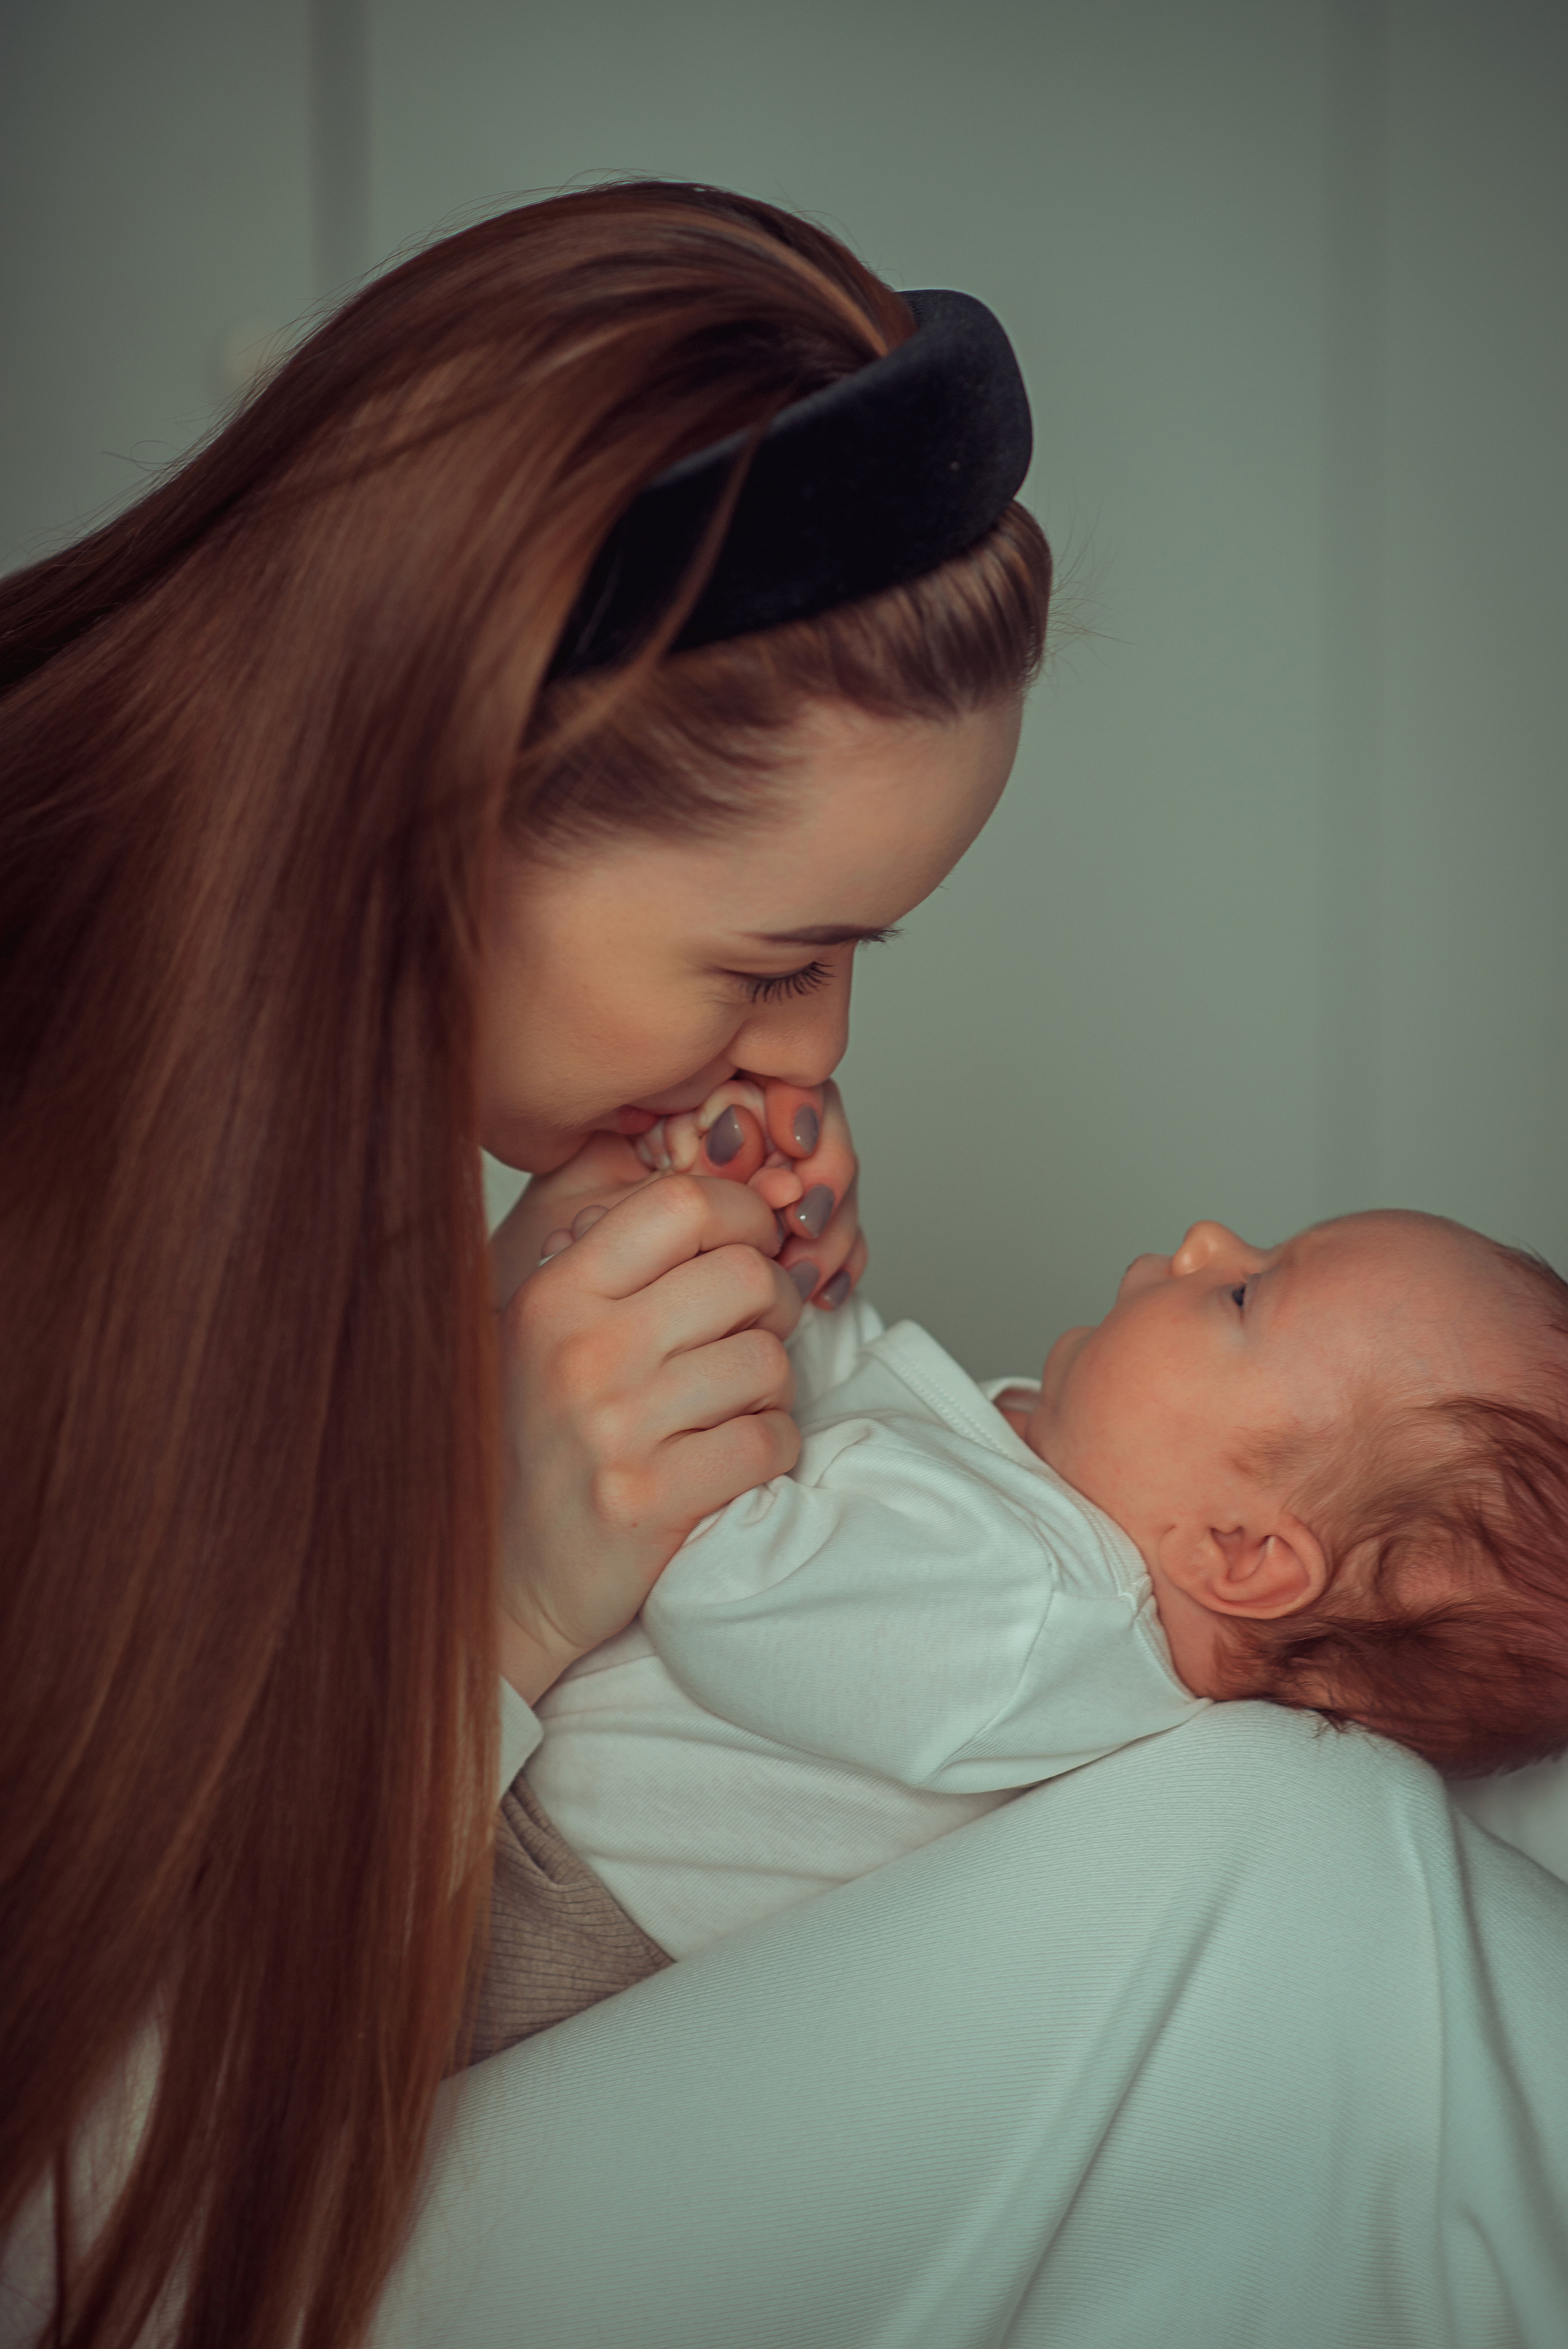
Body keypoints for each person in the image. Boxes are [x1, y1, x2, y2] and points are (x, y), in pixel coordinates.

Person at [4, 181, 1567, 2349]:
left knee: (1460, 1757)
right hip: (164, 2221)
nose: (820, 1047)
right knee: (1306, 1879)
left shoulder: (342, 1140)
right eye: (771, 955)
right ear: (435, 806)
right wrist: (513, 1597)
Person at [527, 1204, 1568, 1959]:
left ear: (1240, 1552)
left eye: (1247, 1290)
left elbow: (733, 1592)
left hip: (547, 1891)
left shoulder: (1038, 1620)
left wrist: (650, 1383)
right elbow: (850, 1424)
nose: (1206, 1238)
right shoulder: (1059, 1474)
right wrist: (779, 1283)